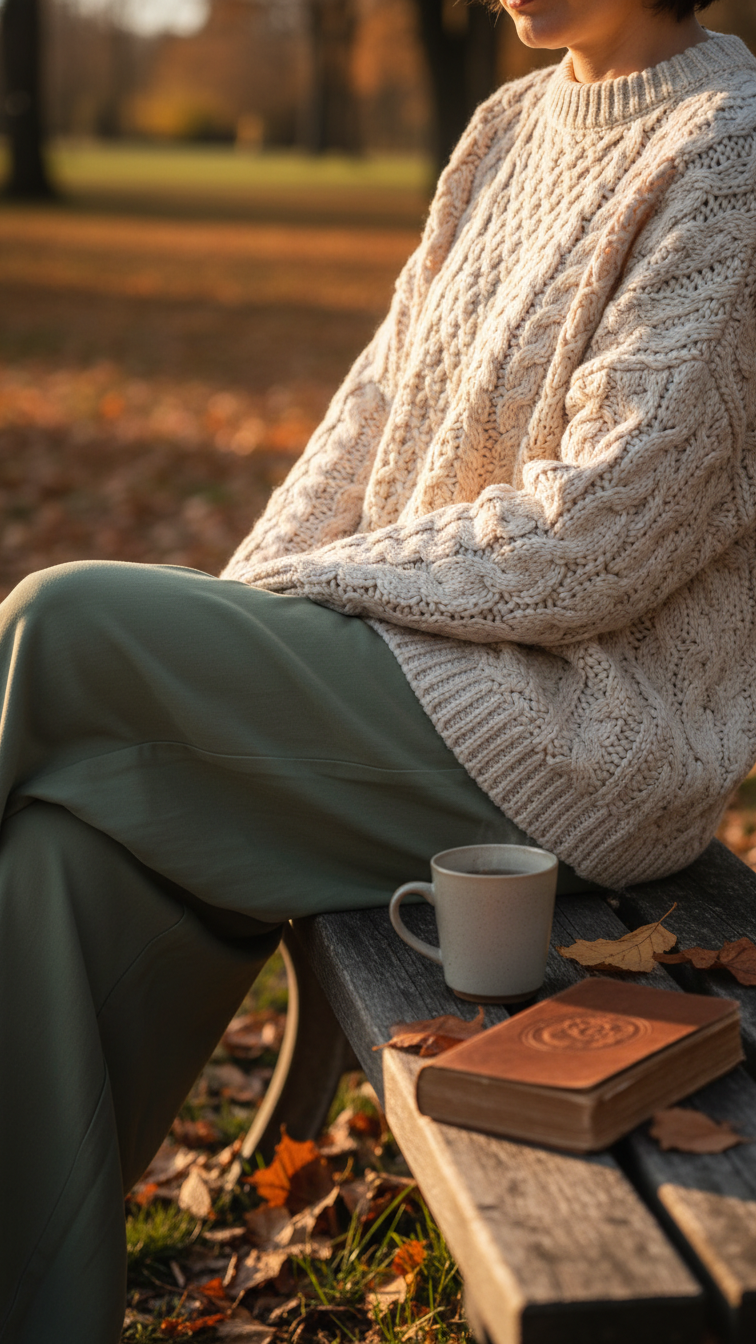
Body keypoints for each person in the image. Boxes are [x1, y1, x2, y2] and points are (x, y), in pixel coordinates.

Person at [2, 1, 755, 1339]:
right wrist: (240, 627)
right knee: (63, 853)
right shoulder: (504, 129)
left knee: (58, 626)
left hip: (575, 737)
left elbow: (603, 527)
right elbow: (364, 428)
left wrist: (280, 614)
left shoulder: (732, 151)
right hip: (403, 671)